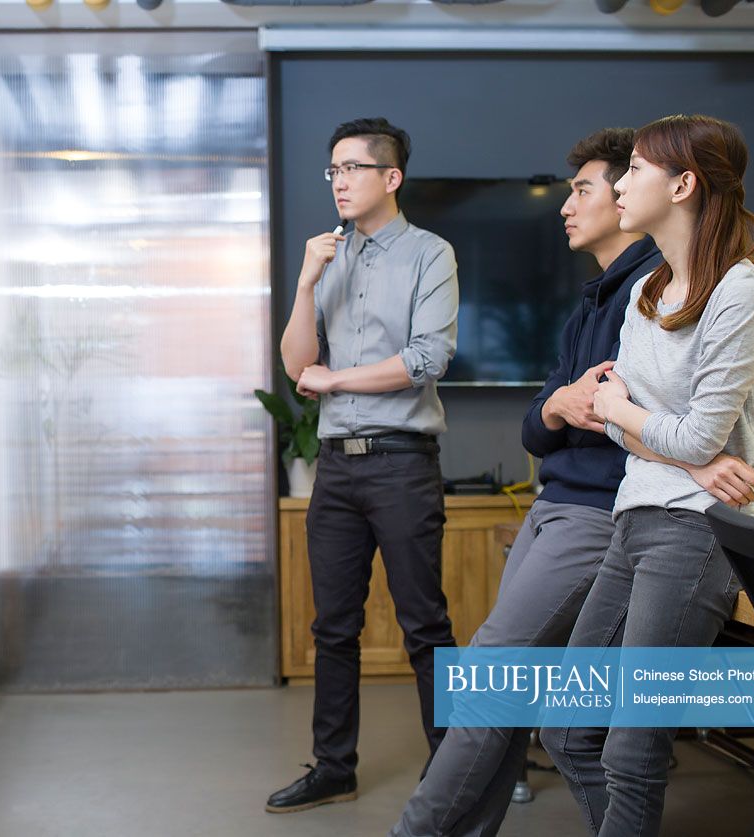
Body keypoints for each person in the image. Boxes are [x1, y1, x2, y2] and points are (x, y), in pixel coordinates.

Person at [541, 113, 754, 837]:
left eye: (636, 170)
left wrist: (640, 420)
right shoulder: (648, 288)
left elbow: (657, 420)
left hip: (698, 532)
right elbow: (618, 424)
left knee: (632, 744)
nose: (621, 182)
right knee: (567, 728)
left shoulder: (741, 292)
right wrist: (682, 448)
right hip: (635, 515)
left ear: (681, 185)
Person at [267, 117, 458, 814]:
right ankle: (332, 765)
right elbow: (295, 367)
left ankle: (450, 766)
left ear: (390, 177)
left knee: (424, 624)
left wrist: (334, 380)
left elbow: (425, 361)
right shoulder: (329, 256)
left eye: (352, 168)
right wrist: (304, 283)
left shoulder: (430, 254)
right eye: (333, 171)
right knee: (332, 627)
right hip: (336, 470)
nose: (339, 181)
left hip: (402, 463)